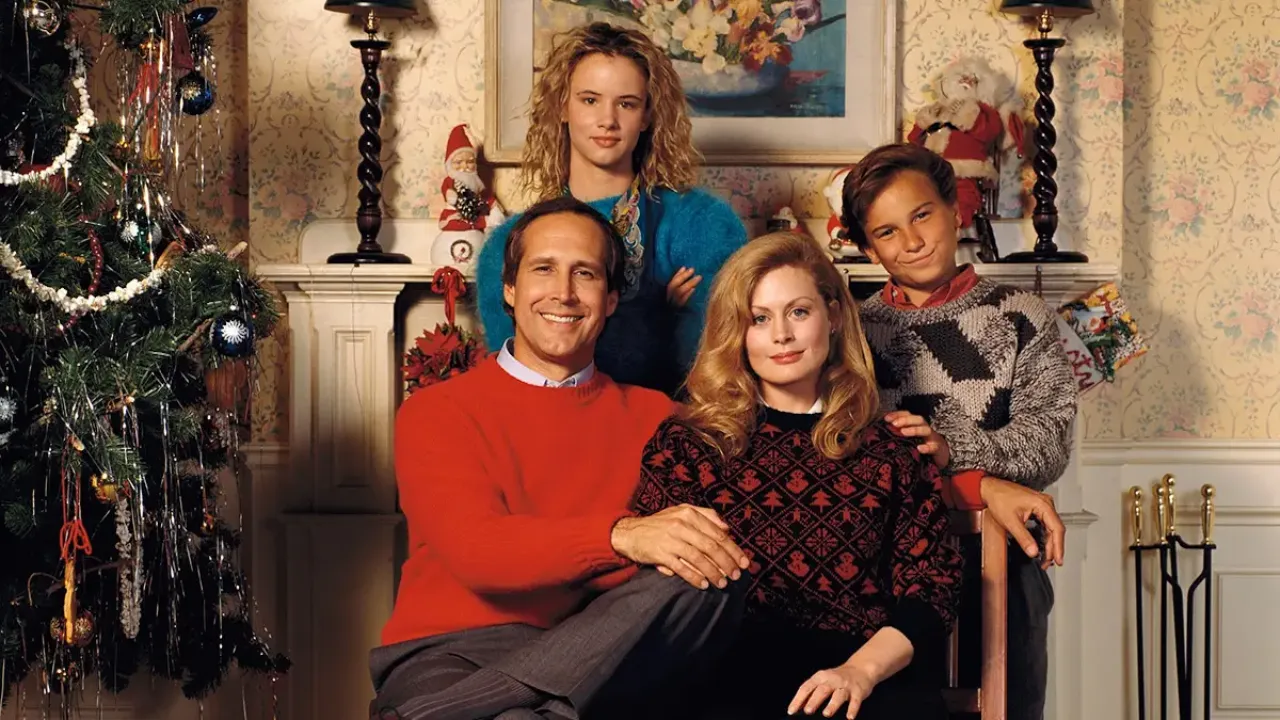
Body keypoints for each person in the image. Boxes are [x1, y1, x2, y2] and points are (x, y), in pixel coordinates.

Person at [372, 197, 751, 720]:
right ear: (510, 289)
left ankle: (436, 714)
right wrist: (621, 537)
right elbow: (479, 553)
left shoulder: (659, 418)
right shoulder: (437, 411)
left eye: (586, 273)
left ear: (611, 299)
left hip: (593, 652)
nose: (564, 293)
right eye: (543, 269)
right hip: (449, 651)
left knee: (708, 573)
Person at [631, 232, 963, 720]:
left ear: (833, 316)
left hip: (863, 673)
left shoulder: (891, 450)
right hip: (727, 677)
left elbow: (931, 589)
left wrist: (859, 671)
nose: (781, 335)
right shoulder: (688, 445)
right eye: (759, 319)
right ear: (736, 333)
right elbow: (660, 593)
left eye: (799, 312)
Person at [840, 143, 1077, 720]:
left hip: (999, 560)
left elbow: (1048, 441)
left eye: (922, 215)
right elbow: (844, 449)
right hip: (884, 562)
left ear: (955, 210)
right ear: (868, 248)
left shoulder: (1022, 315)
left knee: (1009, 696)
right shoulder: (850, 332)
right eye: (887, 232)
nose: (912, 240)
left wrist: (955, 448)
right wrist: (973, 478)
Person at [475, 21, 748, 395]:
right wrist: (655, 314)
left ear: (647, 115)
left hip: (675, 425)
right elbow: (525, 383)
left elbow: (713, 370)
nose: (608, 120)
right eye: (590, 100)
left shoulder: (703, 224)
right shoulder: (505, 245)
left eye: (626, 103)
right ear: (562, 106)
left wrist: (602, 323)